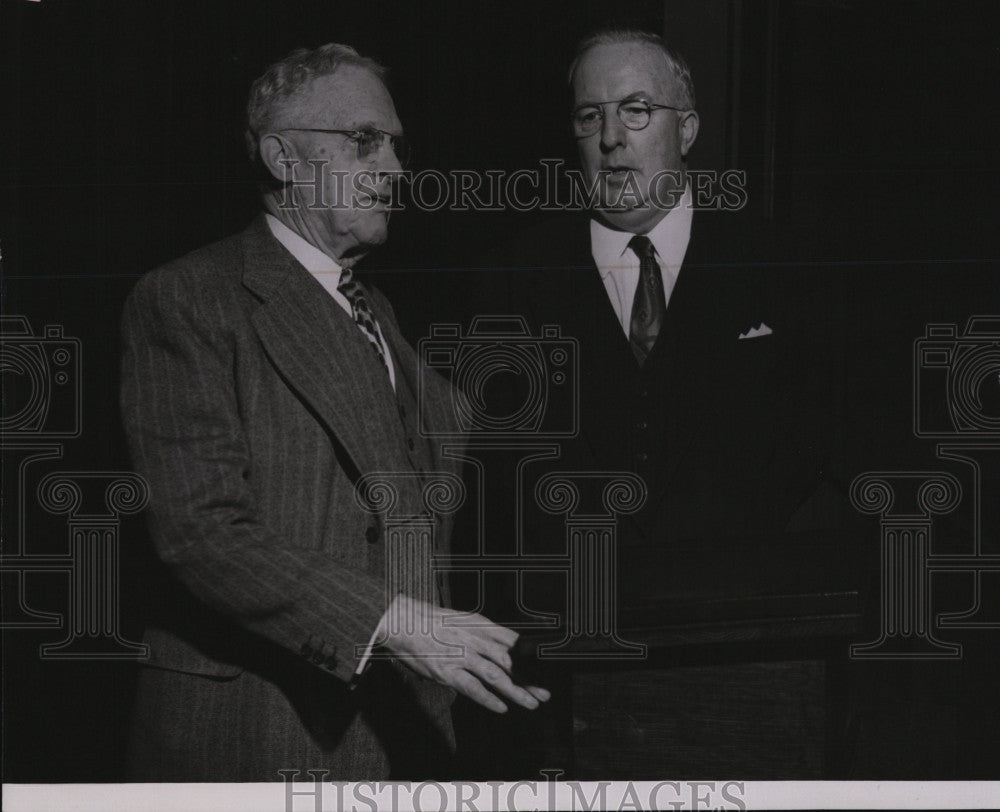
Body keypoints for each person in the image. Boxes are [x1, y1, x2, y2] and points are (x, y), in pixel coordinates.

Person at [119, 42, 547, 782]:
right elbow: (200, 533)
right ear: (285, 158)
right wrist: (392, 622)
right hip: (260, 729)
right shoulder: (188, 298)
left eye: (395, 145)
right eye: (363, 141)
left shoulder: (377, 311)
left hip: (395, 727)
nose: (395, 168)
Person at [457, 28, 856, 778]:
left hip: (751, 668)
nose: (610, 139)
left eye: (636, 111)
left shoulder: (785, 267)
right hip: (562, 681)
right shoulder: (507, 280)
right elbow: (486, 503)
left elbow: (828, 469)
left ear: (689, 129)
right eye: (589, 117)